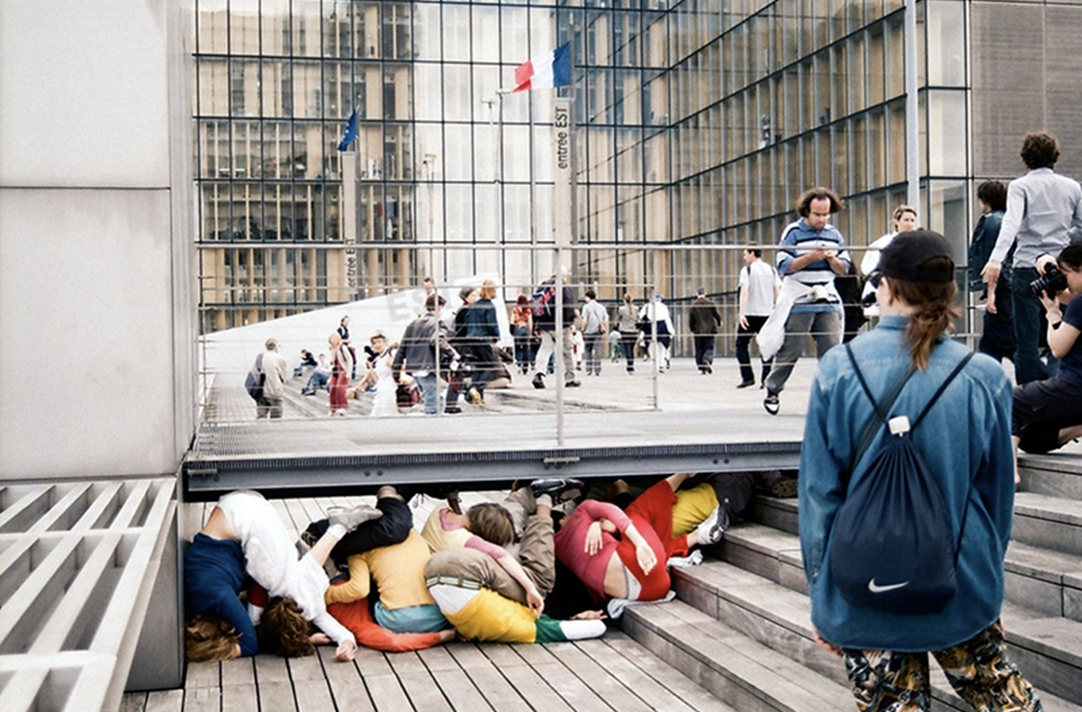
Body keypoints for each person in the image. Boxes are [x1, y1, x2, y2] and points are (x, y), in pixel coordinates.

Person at [799, 230, 1041, 711]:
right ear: (949, 293)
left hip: (863, 585)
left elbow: (819, 495)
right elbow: (997, 500)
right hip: (960, 581)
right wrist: (987, 585)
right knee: (1009, 703)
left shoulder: (838, 368)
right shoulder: (985, 376)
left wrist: (825, 597)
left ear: (885, 286)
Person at [184, 490, 383, 661]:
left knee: (292, 588)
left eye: (229, 628)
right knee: (294, 584)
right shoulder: (201, 601)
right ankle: (338, 527)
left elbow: (252, 643)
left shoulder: (219, 597)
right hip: (240, 508)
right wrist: (345, 638)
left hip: (244, 518)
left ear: (219, 625)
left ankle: (339, 526)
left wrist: (304, 640)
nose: (234, 625)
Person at [982, 131, 1082, 384]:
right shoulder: (1072, 187)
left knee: (1025, 338)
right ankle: (1058, 383)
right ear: (1054, 157)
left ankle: (1030, 394)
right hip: (1061, 266)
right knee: (1060, 326)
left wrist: (996, 259)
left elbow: (1011, 224)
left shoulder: (1020, 186)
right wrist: (1064, 239)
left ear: (1025, 158)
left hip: (1026, 265)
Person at [554, 473, 727, 606]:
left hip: (647, 592)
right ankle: (683, 474)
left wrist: (598, 525)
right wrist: (639, 543)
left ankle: (698, 536)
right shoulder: (581, 512)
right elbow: (617, 518)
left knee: (649, 539)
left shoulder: (557, 549)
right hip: (642, 568)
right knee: (634, 511)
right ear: (563, 516)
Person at [762, 187, 851, 415]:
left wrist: (831, 260)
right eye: (817, 215)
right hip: (800, 297)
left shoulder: (834, 235)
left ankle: (829, 395)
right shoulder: (792, 232)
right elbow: (784, 266)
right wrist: (810, 257)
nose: (822, 220)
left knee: (831, 349)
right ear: (807, 212)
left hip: (827, 297)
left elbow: (844, 269)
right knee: (791, 349)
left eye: (825, 215)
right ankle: (773, 388)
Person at [1012, 245, 1082, 460]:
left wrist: (1052, 313)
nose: (1064, 280)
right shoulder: (1078, 302)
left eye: (1066, 274)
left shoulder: (1080, 303)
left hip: (1074, 386)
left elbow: (1058, 348)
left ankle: (1008, 471)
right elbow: (1070, 300)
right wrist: (1047, 262)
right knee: (1030, 437)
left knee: (1008, 400)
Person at [969, 181, 1016, 363]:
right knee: (992, 344)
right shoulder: (1007, 220)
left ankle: (1040, 378)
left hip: (1000, 289)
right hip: (1009, 286)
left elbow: (993, 260)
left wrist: (991, 293)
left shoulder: (990, 222)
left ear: (984, 199)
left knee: (1002, 344)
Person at [392, 293, 458, 415]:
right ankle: (433, 427)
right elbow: (437, 340)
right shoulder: (438, 323)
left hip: (414, 368)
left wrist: (396, 371)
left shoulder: (413, 324)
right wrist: (453, 354)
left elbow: (402, 348)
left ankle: (437, 421)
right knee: (432, 402)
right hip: (429, 366)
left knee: (436, 398)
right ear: (439, 307)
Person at [859, 205, 919, 318]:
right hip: (885, 291)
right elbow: (868, 268)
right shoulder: (884, 243)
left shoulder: (917, 243)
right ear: (896, 222)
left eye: (912, 221)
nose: (910, 224)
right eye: (906, 220)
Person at [529, 267, 580, 389]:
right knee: (566, 350)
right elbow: (568, 306)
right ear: (563, 276)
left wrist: (537, 325)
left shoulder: (543, 286)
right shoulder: (564, 286)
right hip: (560, 324)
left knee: (545, 349)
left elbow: (535, 304)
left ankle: (539, 373)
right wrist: (570, 323)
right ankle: (570, 378)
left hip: (545, 324)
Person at [735, 249, 780, 388]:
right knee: (766, 347)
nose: (744, 257)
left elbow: (744, 291)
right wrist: (776, 311)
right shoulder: (771, 270)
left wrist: (741, 312)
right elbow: (777, 291)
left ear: (752, 253)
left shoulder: (747, 270)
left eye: (745, 254)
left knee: (741, 345)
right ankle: (766, 378)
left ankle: (747, 377)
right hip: (767, 314)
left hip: (750, 313)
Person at [461, 279, 501, 405]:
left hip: (470, 339)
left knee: (479, 367)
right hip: (482, 339)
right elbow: (492, 324)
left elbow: (467, 322)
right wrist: (496, 336)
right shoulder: (489, 306)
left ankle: (475, 397)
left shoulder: (474, 305)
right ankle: (475, 388)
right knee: (489, 366)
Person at [444, 286, 478, 414]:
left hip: (462, 345)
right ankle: (451, 403)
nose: (475, 298)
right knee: (457, 374)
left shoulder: (466, 309)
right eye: (473, 296)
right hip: (462, 346)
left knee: (460, 374)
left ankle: (455, 399)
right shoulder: (465, 310)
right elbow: (464, 329)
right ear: (466, 297)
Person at [688, 287, 723, 375]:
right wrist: (719, 322)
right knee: (709, 347)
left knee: (699, 349)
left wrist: (692, 329)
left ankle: (701, 368)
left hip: (698, 331)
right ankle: (707, 360)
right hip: (710, 330)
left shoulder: (693, 306)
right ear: (705, 293)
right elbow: (717, 315)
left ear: (697, 294)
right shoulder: (710, 303)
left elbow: (691, 320)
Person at [364, 332, 398, 417]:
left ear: (385, 342)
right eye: (374, 343)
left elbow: (402, 367)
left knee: (388, 414)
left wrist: (391, 364)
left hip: (390, 388)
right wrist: (370, 366)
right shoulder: (378, 359)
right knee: (376, 415)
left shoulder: (392, 353)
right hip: (380, 389)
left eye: (379, 342)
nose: (377, 345)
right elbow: (377, 378)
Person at [638, 293, 675, 372]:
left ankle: (655, 363)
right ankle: (661, 364)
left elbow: (641, 317)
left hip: (650, 326)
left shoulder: (647, 306)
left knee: (652, 346)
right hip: (662, 327)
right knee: (662, 347)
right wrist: (671, 330)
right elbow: (667, 319)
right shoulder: (664, 307)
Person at [256, 338, 288, 419]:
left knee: (261, 417)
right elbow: (284, 377)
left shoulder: (260, 357)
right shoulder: (280, 359)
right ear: (275, 347)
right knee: (276, 419)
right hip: (275, 391)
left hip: (261, 391)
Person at [581, 289, 609, 376]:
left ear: (588, 297)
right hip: (598, 331)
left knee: (588, 350)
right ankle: (597, 370)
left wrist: (583, 329)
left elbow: (585, 319)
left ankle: (589, 369)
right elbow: (606, 318)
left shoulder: (586, 307)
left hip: (589, 331)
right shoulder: (601, 307)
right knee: (597, 350)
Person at [327, 331, 353, 416]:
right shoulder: (332, 349)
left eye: (335, 338)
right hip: (335, 370)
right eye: (332, 338)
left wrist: (349, 372)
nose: (334, 340)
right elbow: (332, 361)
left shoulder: (343, 347)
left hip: (343, 369)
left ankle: (343, 406)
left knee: (340, 388)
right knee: (332, 388)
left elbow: (349, 360)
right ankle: (333, 407)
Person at [510, 293, 534, 374]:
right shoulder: (528, 310)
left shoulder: (515, 309)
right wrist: (530, 333)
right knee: (526, 348)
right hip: (526, 329)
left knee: (517, 347)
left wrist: (512, 331)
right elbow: (530, 322)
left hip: (518, 329)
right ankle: (525, 366)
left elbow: (512, 321)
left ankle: (519, 363)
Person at [616, 293, 639, 374]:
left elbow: (619, 319)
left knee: (627, 349)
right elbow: (638, 319)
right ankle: (631, 364)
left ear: (624, 300)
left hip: (625, 331)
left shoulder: (621, 309)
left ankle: (629, 365)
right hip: (634, 331)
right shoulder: (636, 308)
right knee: (632, 349)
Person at [337, 314, 357, 381]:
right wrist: (346, 341)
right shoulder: (340, 329)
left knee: (349, 360)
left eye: (348, 321)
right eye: (346, 321)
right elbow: (338, 340)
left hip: (345, 346)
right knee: (349, 360)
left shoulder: (346, 329)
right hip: (342, 346)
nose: (347, 323)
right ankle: (348, 375)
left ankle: (348, 376)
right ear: (342, 322)